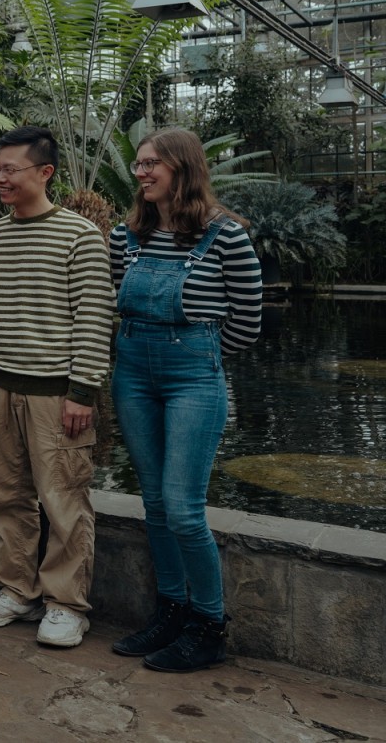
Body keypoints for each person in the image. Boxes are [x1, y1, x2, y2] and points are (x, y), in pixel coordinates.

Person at [108, 128, 262, 673]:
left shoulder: (225, 237)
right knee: (154, 503)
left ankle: (208, 625)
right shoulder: (126, 236)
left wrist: (201, 353)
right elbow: (113, 303)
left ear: (183, 167)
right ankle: (171, 610)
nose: (142, 173)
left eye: (152, 164)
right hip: (131, 373)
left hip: (193, 378)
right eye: (139, 165)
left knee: (183, 507)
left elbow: (247, 323)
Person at [0, 125, 115, 648]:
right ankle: (16, 589)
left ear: (44, 173)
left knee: (63, 497)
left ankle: (67, 603)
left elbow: (95, 318)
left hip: (56, 391)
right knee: (3, 493)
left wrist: (82, 391)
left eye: (10, 169)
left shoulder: (79, 236)